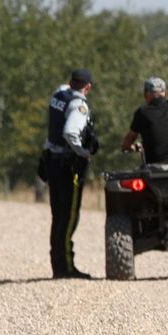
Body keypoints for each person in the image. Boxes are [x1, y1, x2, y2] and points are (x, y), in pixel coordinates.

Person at [40, 67, 96, 279]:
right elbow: (71, 132)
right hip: (67, 166)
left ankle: (58, 265)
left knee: (57, 216)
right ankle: (66, 267)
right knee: (68, 216)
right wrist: (83, 153)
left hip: (52, 162)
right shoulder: (78, 105)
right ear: (87, 87)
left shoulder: (58, 94)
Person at [121, 76, 168, 169]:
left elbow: (129, 140)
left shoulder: (143, 112)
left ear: (145, 94)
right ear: (166, 93)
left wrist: (128, 147)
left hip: (158, 168)